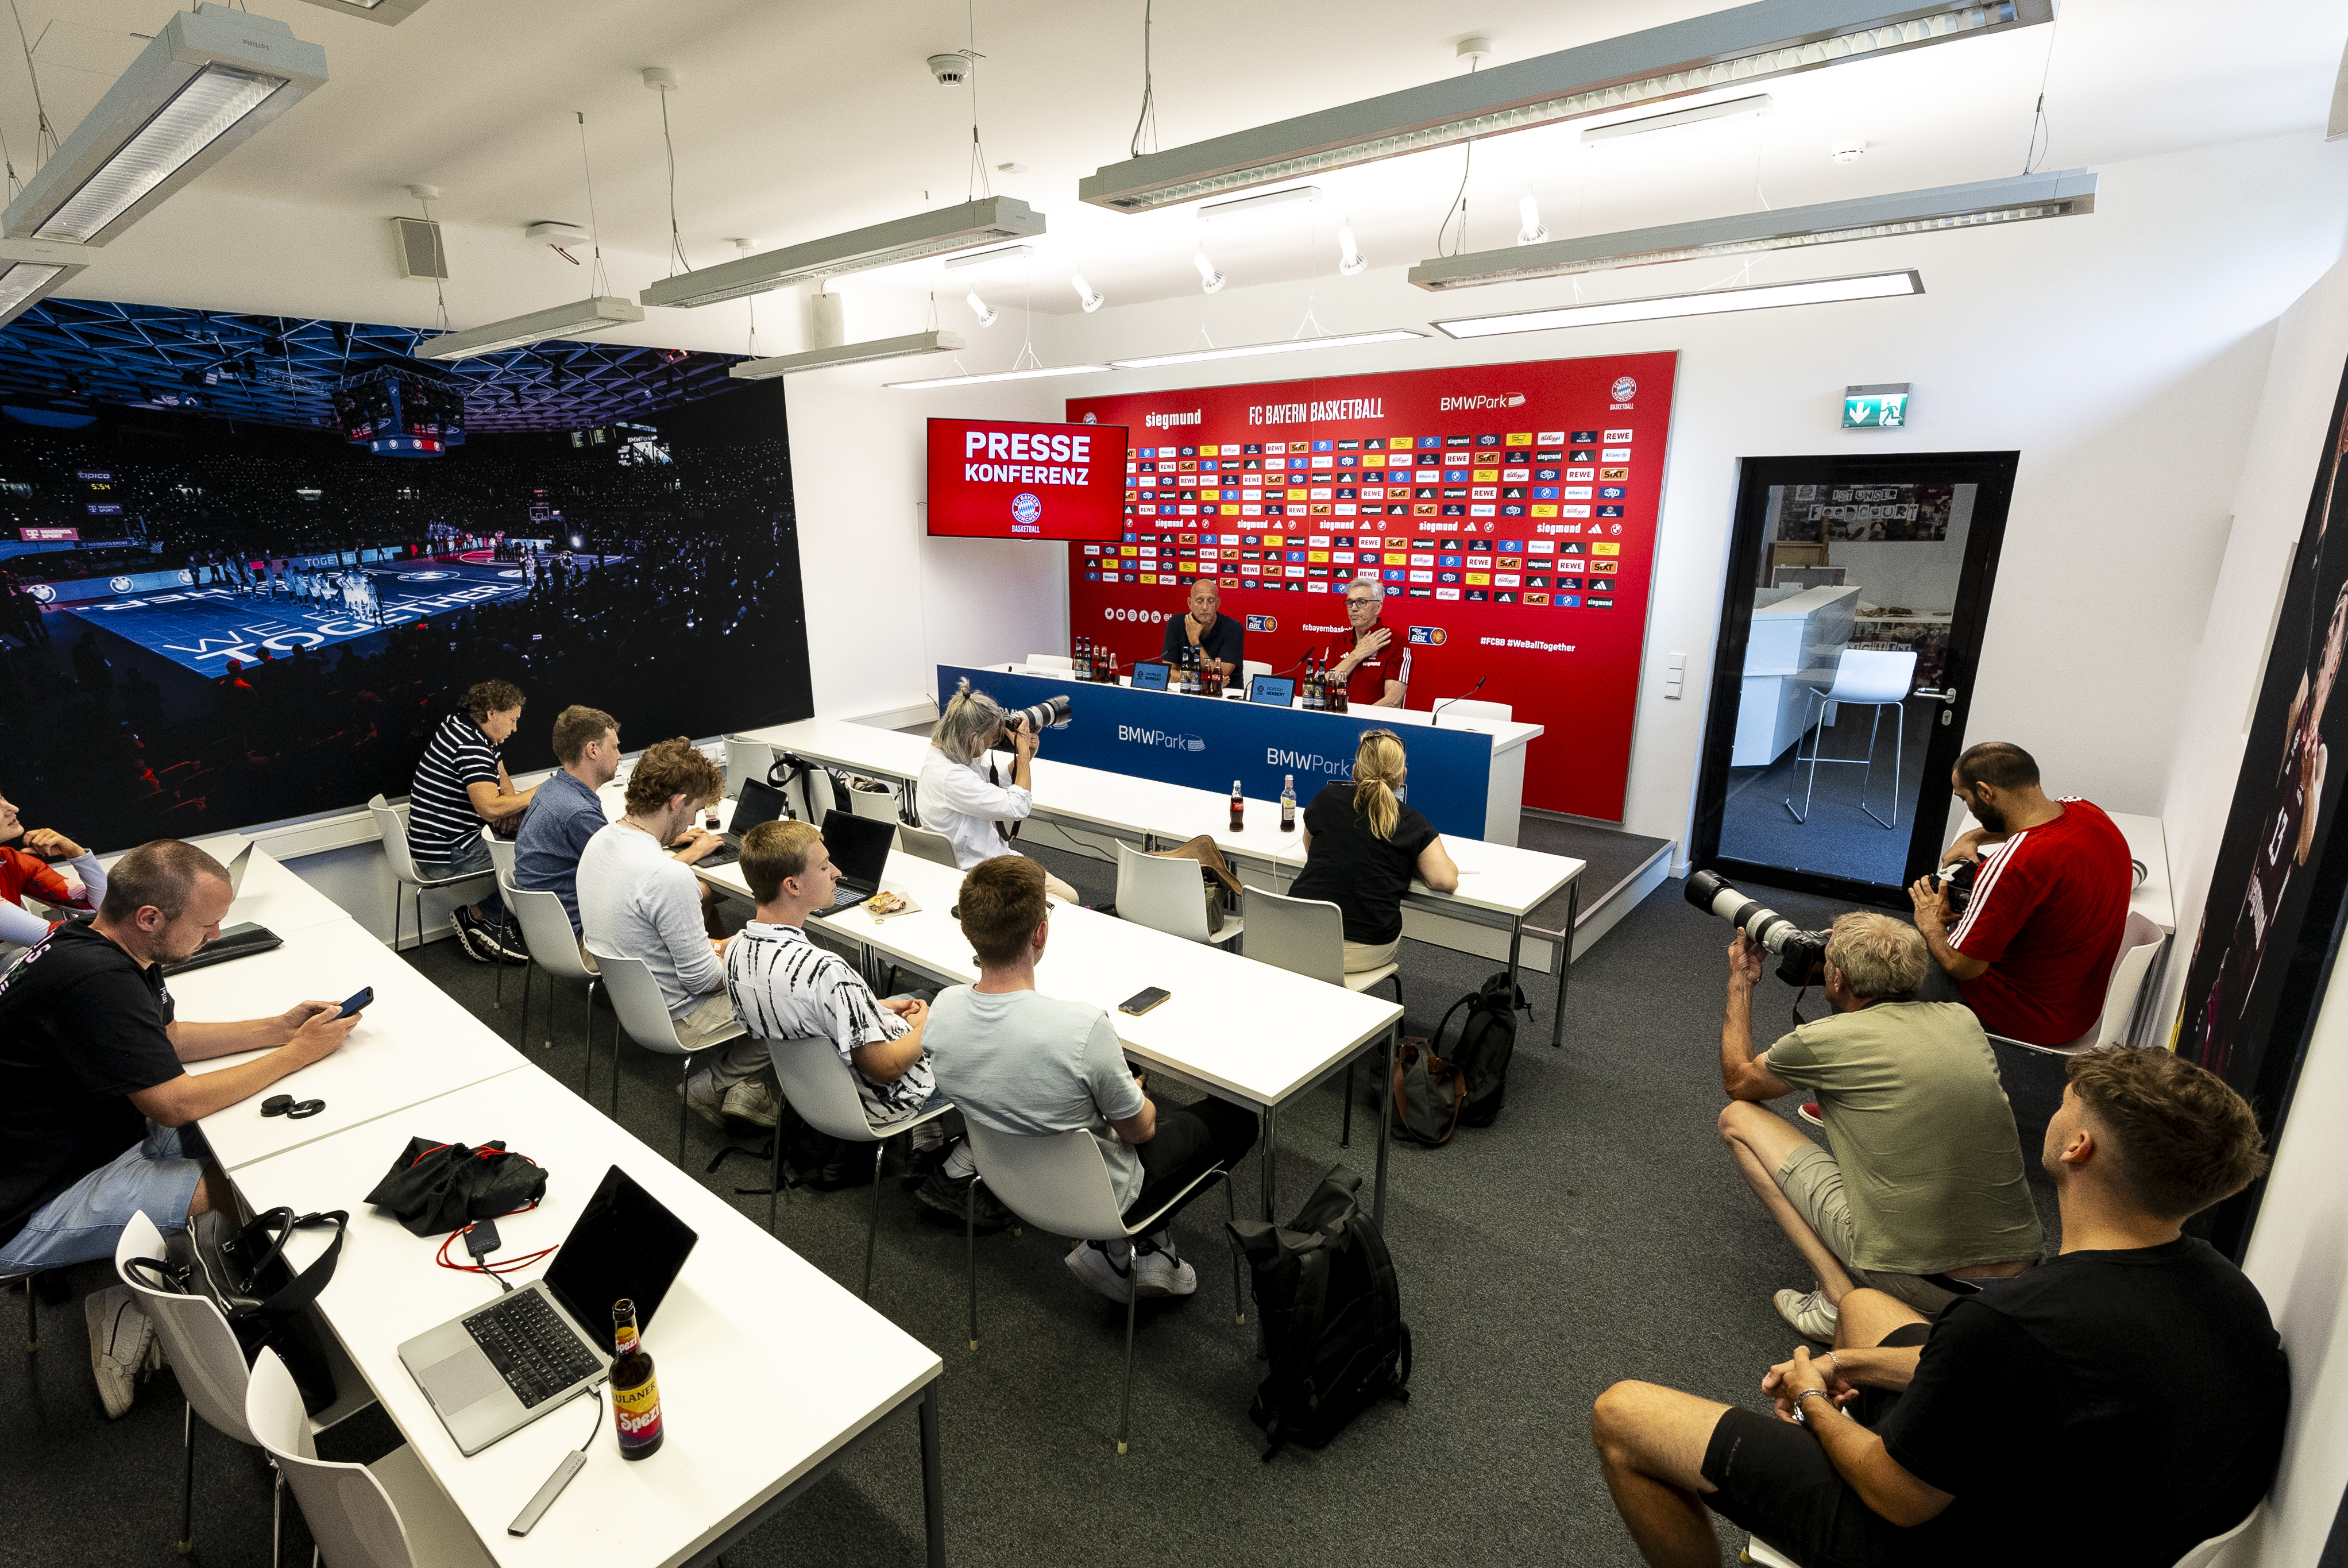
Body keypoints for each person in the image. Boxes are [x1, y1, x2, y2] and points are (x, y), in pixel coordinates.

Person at [1593, 1046, 2287, 1568]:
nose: (2053, 1111)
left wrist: (1813, 1398)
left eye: (2065, 1104)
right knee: (1862, 1306)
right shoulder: (2227, 1290)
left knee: (1622, 1415)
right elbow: (2028, 1378)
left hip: (1943, 1541)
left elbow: (1900, 1497)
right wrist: (1850, 1360)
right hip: (2080, 1512)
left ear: (2079, 1147)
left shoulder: (2016, 1323)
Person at [0, 840, 359, 1416]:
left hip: (73, 1146)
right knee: (249, 1194)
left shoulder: (93, 946)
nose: (215, 936)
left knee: (249, 1149)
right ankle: (138, 1297)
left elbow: (164, 1040)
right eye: (206, 925)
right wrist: (298, 1057)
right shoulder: (98, 981)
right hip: (28, 1205)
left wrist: (279, 1028)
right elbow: (172, 1102)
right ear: (150, 918)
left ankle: (146, 1281)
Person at [925, 856, 1257, 1298]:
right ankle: (1127, 1244)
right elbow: (1142, 1132)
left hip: (1006, 1181)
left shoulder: (943, 1010)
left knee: (1112, 1077)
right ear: (1041, 933)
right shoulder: (1082, 1029)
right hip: (1101, 1199)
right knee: (1240, 1116)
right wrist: (1142, 1101)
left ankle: (1132, 1245)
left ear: (966, 929)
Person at [1715, 913, 2044, 1341]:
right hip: (2023, 1280)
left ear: (1836, 978)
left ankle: (1838, 1301)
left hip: (1926, 1285)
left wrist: (1742, 981)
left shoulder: (1824, 1039)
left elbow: (1739, 1081)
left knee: (1738, 1120)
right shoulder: (1962, 1020)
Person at [717, 820, 957, 1176]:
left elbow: (804, 1012)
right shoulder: (826, 971)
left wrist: (869, 1008)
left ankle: (928, 1137)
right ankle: (954, 1161)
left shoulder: (735, 950)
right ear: (793, 885)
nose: (837, 873)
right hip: (878, 1101)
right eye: (825, 865)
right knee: (954, 1008)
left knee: (913, 997)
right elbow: (883, 1068)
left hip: (812, 1095)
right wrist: (929, 1028)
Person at [577, 738, 772, 1122]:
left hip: (634, 1005)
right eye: (695, 810)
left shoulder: (600, 842)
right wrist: (744, 949)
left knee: (741, 950)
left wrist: (722, 947)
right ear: (676, 801)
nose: (694, 824)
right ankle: (715, 1083)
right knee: (793, 990)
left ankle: (746, 1088)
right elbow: (704, 982)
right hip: (682, 1015)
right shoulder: (669, 875)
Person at [1906, 741, 2133, 1047]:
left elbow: (1963, 966)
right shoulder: (2086, 811)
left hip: (2025, 1016)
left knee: (1867, 971)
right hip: (2079, 1008)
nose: (1969, 810)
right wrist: (1972, 836)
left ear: (1986, 793)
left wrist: (1931, 924)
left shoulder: (2014, 866)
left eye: (1965, 799)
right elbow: (2034, 823)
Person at [512, 706, 722, 955]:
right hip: (582, 938)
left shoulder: (553, 789)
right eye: (614, 747)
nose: (620, 756)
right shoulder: (579, 812)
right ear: (592, 750)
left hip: (547, 929)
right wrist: (696, 851)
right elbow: (637, 880)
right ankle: (706, 962)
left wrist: (664, 837)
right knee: (701, 892)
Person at [1286, 729, 1458, 971]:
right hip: (1363, 949)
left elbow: (1311, 848)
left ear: (1355, 771)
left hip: (1294, 936)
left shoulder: (1326, 798)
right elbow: (1445, 880)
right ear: (1403, 777)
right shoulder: (1412, 822)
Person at [408, 678, 536, 964]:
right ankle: (480, 916)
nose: (515, 728)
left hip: (433, 842)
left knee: (531, 843)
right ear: (493, 713)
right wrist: (537, 793)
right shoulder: (471, 746)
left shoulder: (461, 725)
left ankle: (500, 919)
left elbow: (499, 771)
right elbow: (489, 809)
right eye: (512, 720)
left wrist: (509, 807)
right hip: (447, 853)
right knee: (542, 863)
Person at [916, 679, 1079, 902]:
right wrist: (1020, 749)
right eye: (991, 741)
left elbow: (996, 780)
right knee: (1066, 906)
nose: (993, 744)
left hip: (996, 857)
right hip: (979, 873)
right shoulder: (948, 775)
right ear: (973, 738)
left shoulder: (953, 752)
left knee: (1072, 897)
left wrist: (1025, 756)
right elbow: (1018, 806)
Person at [0, 789, 108, 961]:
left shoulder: (11, 861)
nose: (13, 808)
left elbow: (109, 911)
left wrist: (77, 853)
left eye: (2, 797)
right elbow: (58, 939)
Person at [1327, 580, 1410, 708]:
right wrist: (1357, 655)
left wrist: (1359, 721)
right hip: (1336, 721)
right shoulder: (1338, 641)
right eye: (1350, 603)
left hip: (1375, 725)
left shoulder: (1397, 642)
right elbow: (1322, 687)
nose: (1353, 608)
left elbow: (1393, 701)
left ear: (1378, 607)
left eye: (1361, 602)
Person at [1159, 578, 1243, 679]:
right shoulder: (1176, 623)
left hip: (1225, 692)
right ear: (1190, 603)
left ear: (1218, 604)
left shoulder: (1234, 628)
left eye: (1210, 601)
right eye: (1200, 601)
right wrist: (1195, 679)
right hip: (1190, 690)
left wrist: (1195, 641)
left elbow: (1221, 674)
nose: (1205, 607)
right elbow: (1168, 671)